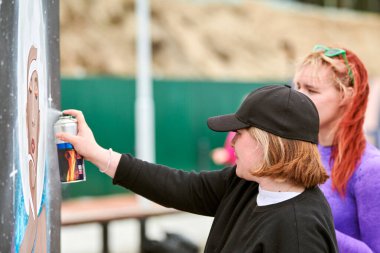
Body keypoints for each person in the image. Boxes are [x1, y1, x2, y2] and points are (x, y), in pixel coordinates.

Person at [56, 85, 338, 252]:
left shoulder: (300, 233)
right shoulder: (248, 184)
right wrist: (97, 155)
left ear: (270, 145)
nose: (232, 142)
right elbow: (180, 187)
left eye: (240, 133)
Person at [294, 44, 380, 252]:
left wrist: (306, 223)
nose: (298, 96)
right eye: (297, 87)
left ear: (345, 95)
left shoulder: (370, 168)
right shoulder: (298, 153)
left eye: (311, 90)